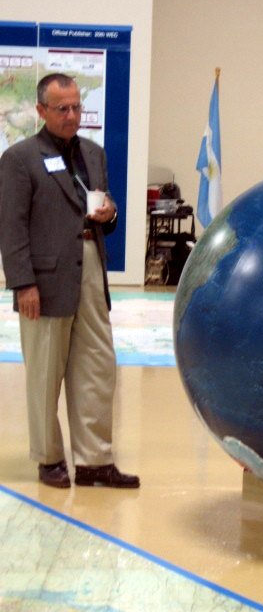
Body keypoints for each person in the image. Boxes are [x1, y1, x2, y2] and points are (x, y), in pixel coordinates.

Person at [0, 73, 139, 489]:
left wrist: (110, 214)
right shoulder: (20, 158)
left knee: (98, 365)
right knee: (45, 371)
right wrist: (23, 282)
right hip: (43, 280)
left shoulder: (93, 154)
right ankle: (49, 458)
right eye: (62, 108)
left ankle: (95, 461)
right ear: (41, 111)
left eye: (77, 107)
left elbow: (105, 211)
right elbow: (11, 226)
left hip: (91, 266)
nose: (72, 115)